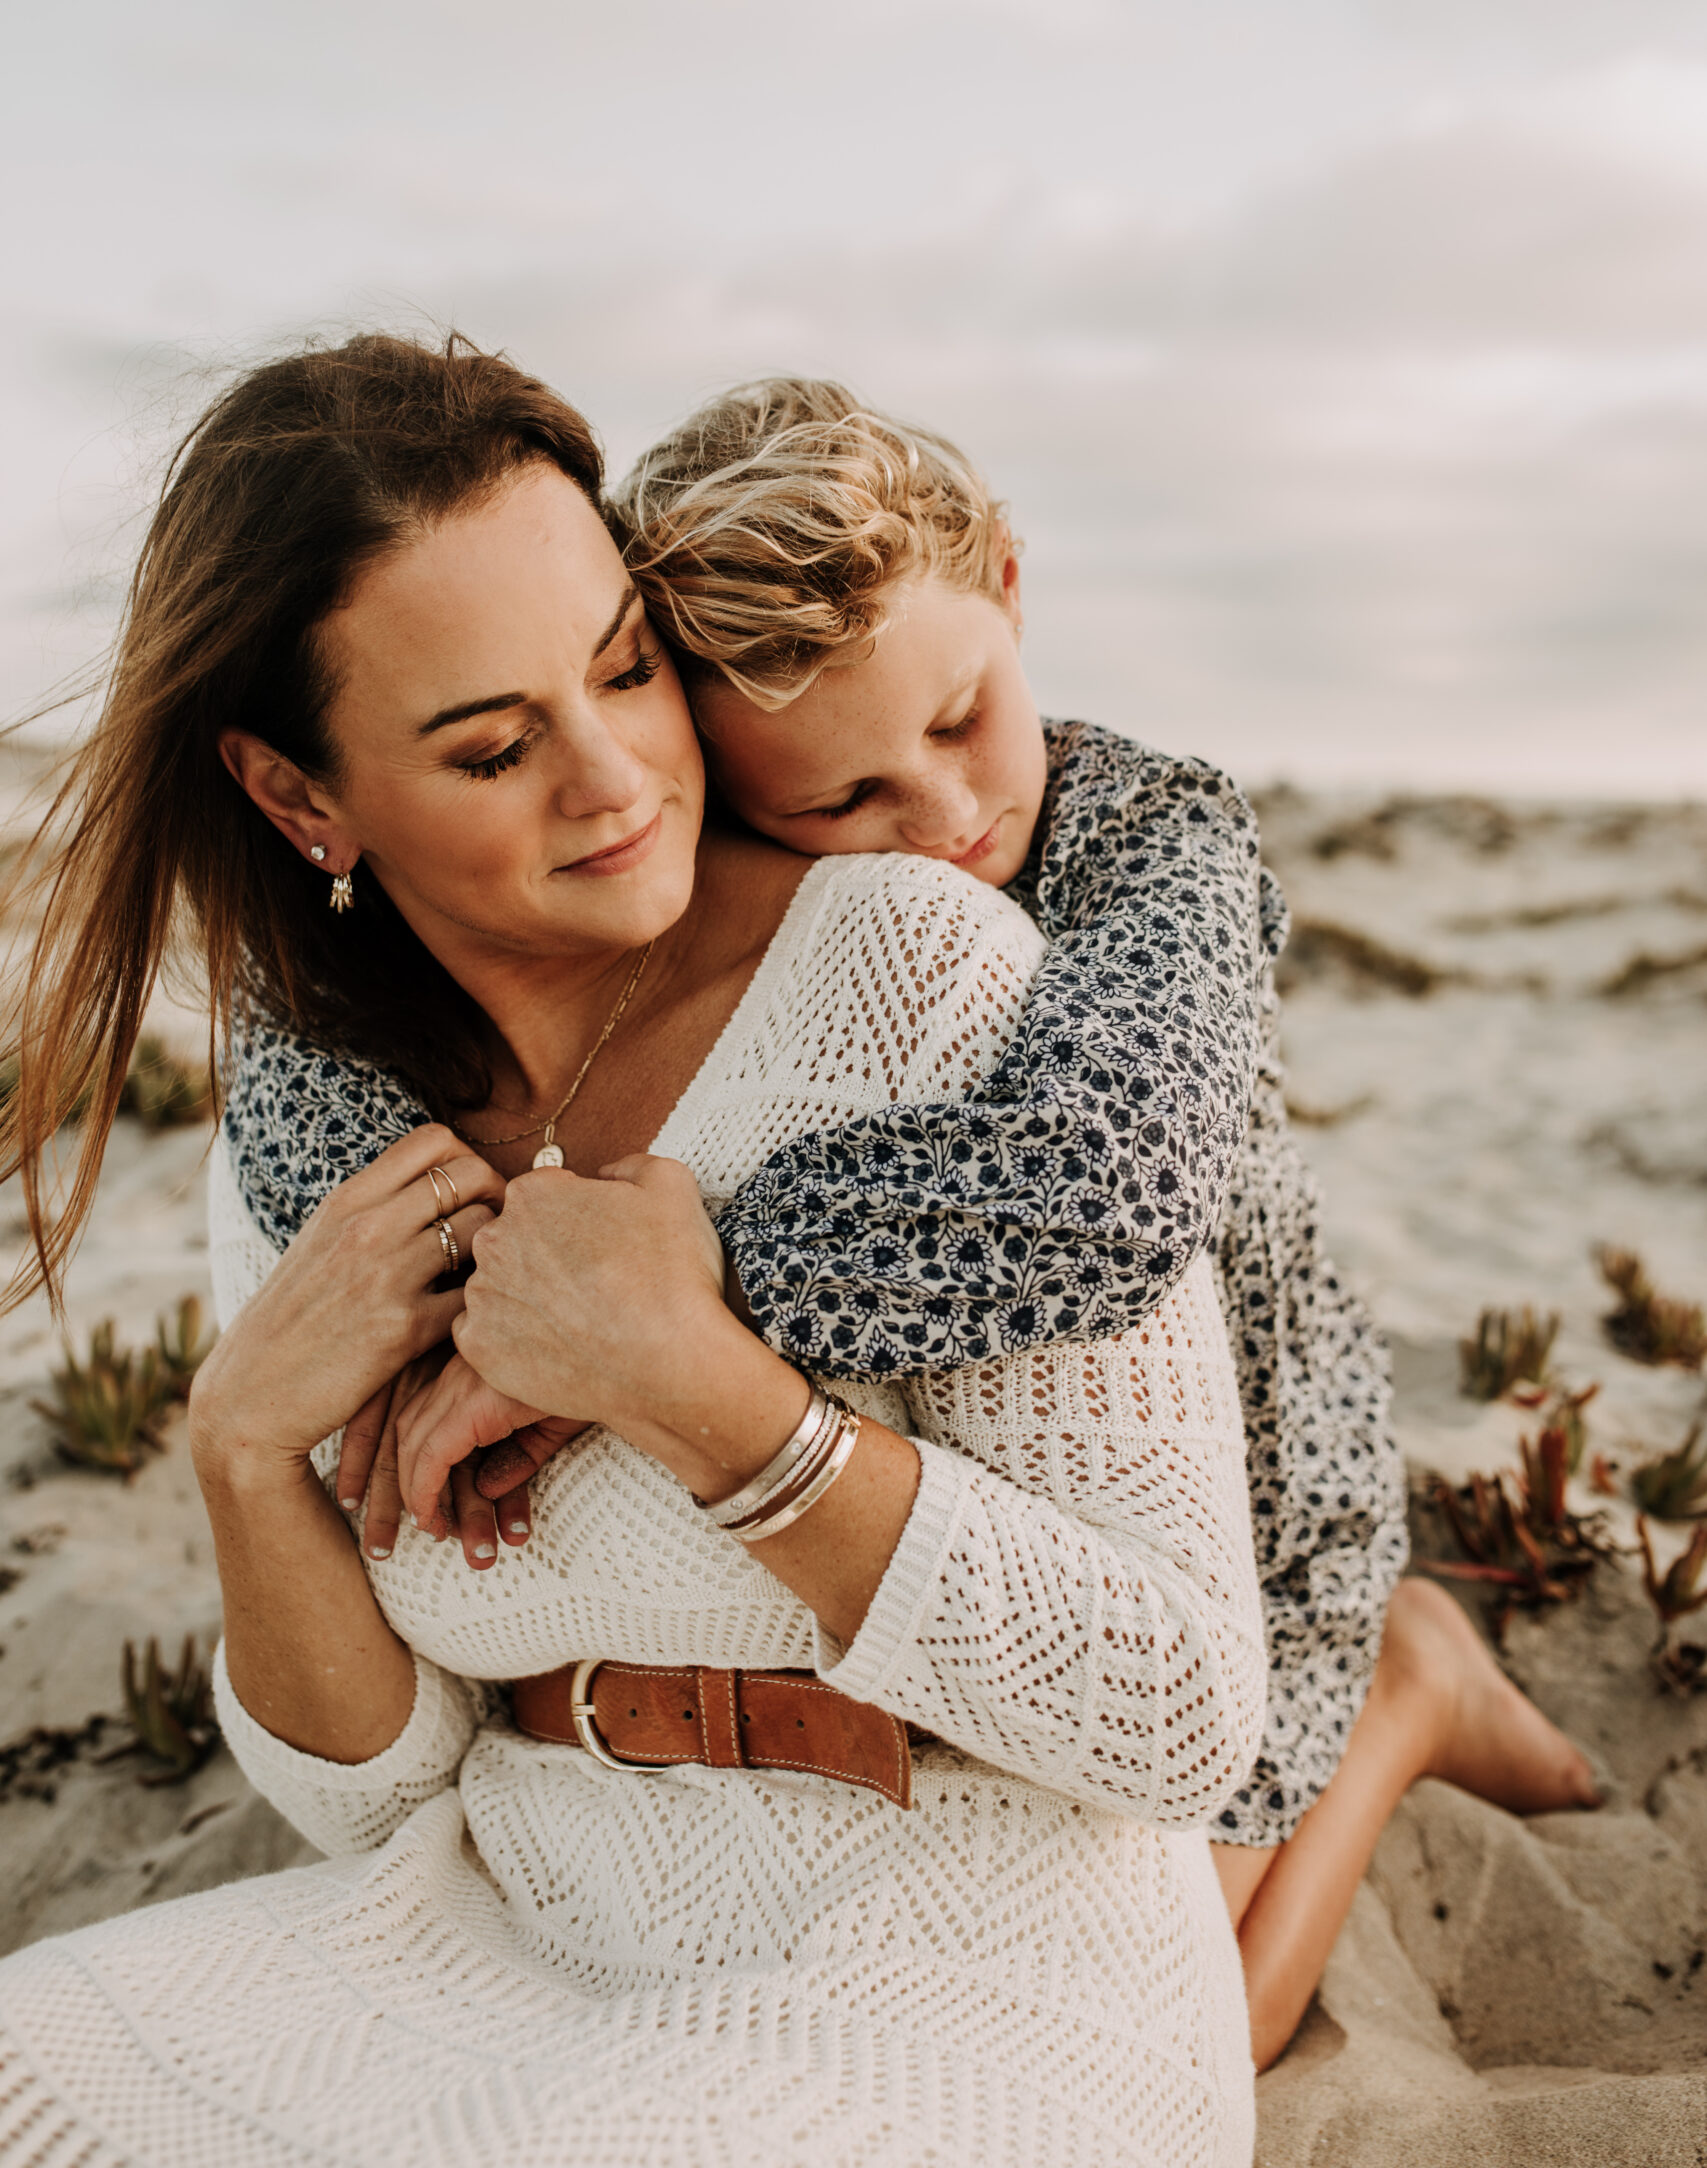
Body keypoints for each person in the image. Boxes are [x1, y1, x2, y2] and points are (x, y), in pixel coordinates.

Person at [225, 372, 1598, 2070]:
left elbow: (1087, 1189)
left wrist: (634, 1326)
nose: (945, 823)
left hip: (1274, 1491)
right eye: (836, 803)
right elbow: (342, 1132)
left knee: (1210, 2019)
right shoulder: (684, 892)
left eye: (959, 721)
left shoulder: (1144, 843)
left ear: (1011, 588)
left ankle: (1406, 1693)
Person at [0, 334, 1265, 2168]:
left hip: (961, 1963)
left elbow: (1178, 1713)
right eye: (498, 746)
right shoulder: (330, 1136)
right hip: (492, 1931)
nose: (618, 781)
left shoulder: (918, 969)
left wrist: (712, 1401)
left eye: (626, 671)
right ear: (301, 800)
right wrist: (241, 1455)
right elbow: (376, 1795)